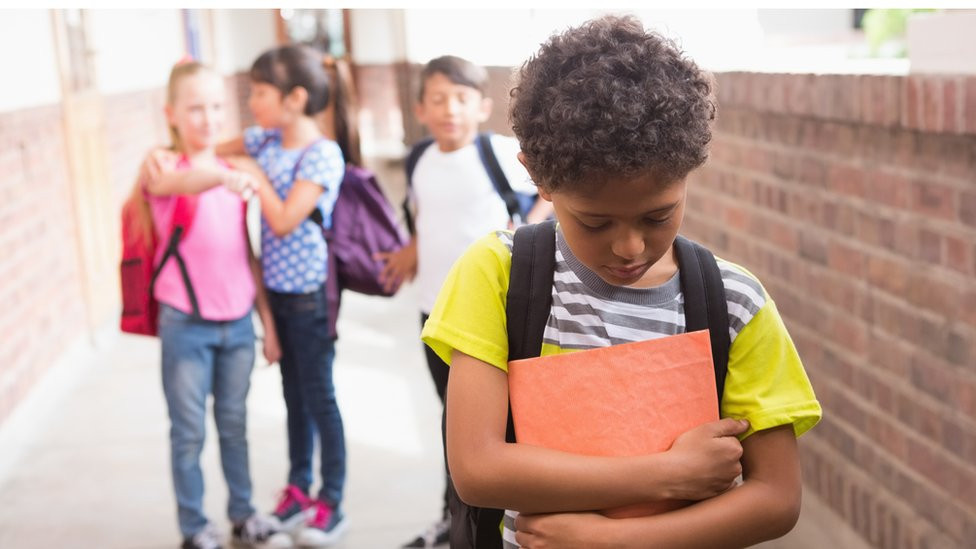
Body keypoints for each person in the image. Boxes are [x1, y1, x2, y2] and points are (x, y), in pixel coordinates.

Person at [421, 15, 822, 549]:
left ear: (690, 171)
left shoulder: (733, 302)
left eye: (658, 216)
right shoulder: (497, 273)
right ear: (537, 178)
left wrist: (610, 540)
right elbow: (476, 468)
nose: (630, 247)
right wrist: (669, 473)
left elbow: (776, 498)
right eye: (595, 222)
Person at [151, 45, 349, 548]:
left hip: (307, 297)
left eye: (258, 92)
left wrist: (246, 174)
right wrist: (184, 152)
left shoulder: (320, 153)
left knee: (318, 398)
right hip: (263, 301)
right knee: (288, 401)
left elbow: (280, 219)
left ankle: (331, 500)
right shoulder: (261, 140)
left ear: (293, 98)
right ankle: (296, 490)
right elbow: (216, 151)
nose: (248, 102)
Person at [375, 55, 553, 548]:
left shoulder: (498, 153)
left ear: (482, 107)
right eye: (438, 99)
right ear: (421, 109)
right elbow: (423, 217)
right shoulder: (419, 160)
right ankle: (454, 521)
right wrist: (410, 253)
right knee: (452, 423)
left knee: (494, 428)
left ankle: (496, 520)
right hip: (434, 314)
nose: (449, 109)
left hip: (492, 320)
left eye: (461, 98)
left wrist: (527, 229)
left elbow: (550, 193)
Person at [136, 60, 282, 549]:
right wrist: (221, 177)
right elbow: (181, 185)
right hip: (186, 324)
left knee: (235, 425)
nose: (207, 117)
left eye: (216, 106)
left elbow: (247, 252)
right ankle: (195, 526)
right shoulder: (162, 170)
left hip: (238, 322)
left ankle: (243, 513)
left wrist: (268, 323)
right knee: (188, 431)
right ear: (171, 114)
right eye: (195, 108)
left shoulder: (232, 172)